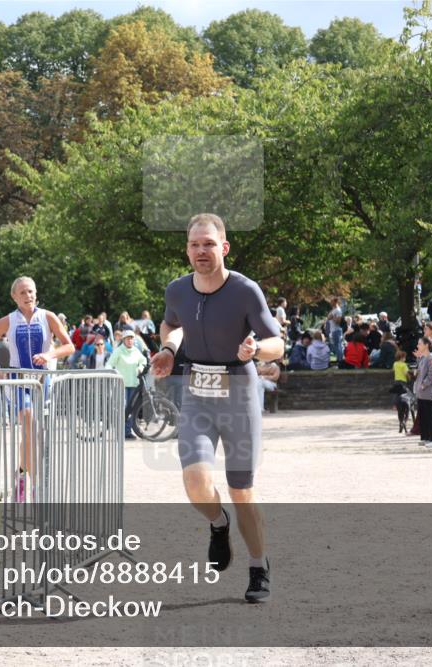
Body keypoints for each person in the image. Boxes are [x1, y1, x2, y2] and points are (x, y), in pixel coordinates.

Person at [150, 213, 284, 604]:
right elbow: (171, 324)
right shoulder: (177, 290)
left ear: (224, 247)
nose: (201, 251)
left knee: (241, 490)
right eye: (194, 245)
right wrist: (169, 349)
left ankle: (258, 566)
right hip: (197, 393)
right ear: (187, 249)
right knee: (194, 480)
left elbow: (277, 343)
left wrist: (256, 349)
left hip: (239, 394)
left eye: (209, 244)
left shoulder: (245, 290)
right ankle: (218, 522)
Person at [0, 276, 75, 501]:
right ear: (14, 297)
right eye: (22, 292)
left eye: (30, 291)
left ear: (36, 293)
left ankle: (21, 474)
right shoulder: (8, 321)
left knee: (33, 433)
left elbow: (69, 346)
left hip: (42, 380)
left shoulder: (48, 317)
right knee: (31, 424)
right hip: (18, 380)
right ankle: (37, 485)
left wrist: (49, 354)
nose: (27, 296)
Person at [106, 330, 148, 439]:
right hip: (121, 384)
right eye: (128, 338)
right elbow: (109, 364)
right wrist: (112, 373)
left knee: (131, 409)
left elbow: (143, 360)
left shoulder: (136, 351)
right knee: (123, 408)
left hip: (133, 384)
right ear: (124, 340)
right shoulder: (118, 351)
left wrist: (141, 367)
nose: (130, 340)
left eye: (131, 338)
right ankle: (122, 431)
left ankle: (127, 432)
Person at [413, 337, 432, 447]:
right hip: (421, 393)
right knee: (423, 417)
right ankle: (424, 437)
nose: (418, 346)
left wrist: (423, 384)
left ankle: (431, 438)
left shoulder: (431, 358)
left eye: (420, 344)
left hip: (428, 393)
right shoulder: (423, 358)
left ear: (426, 345)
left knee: (429, 417)